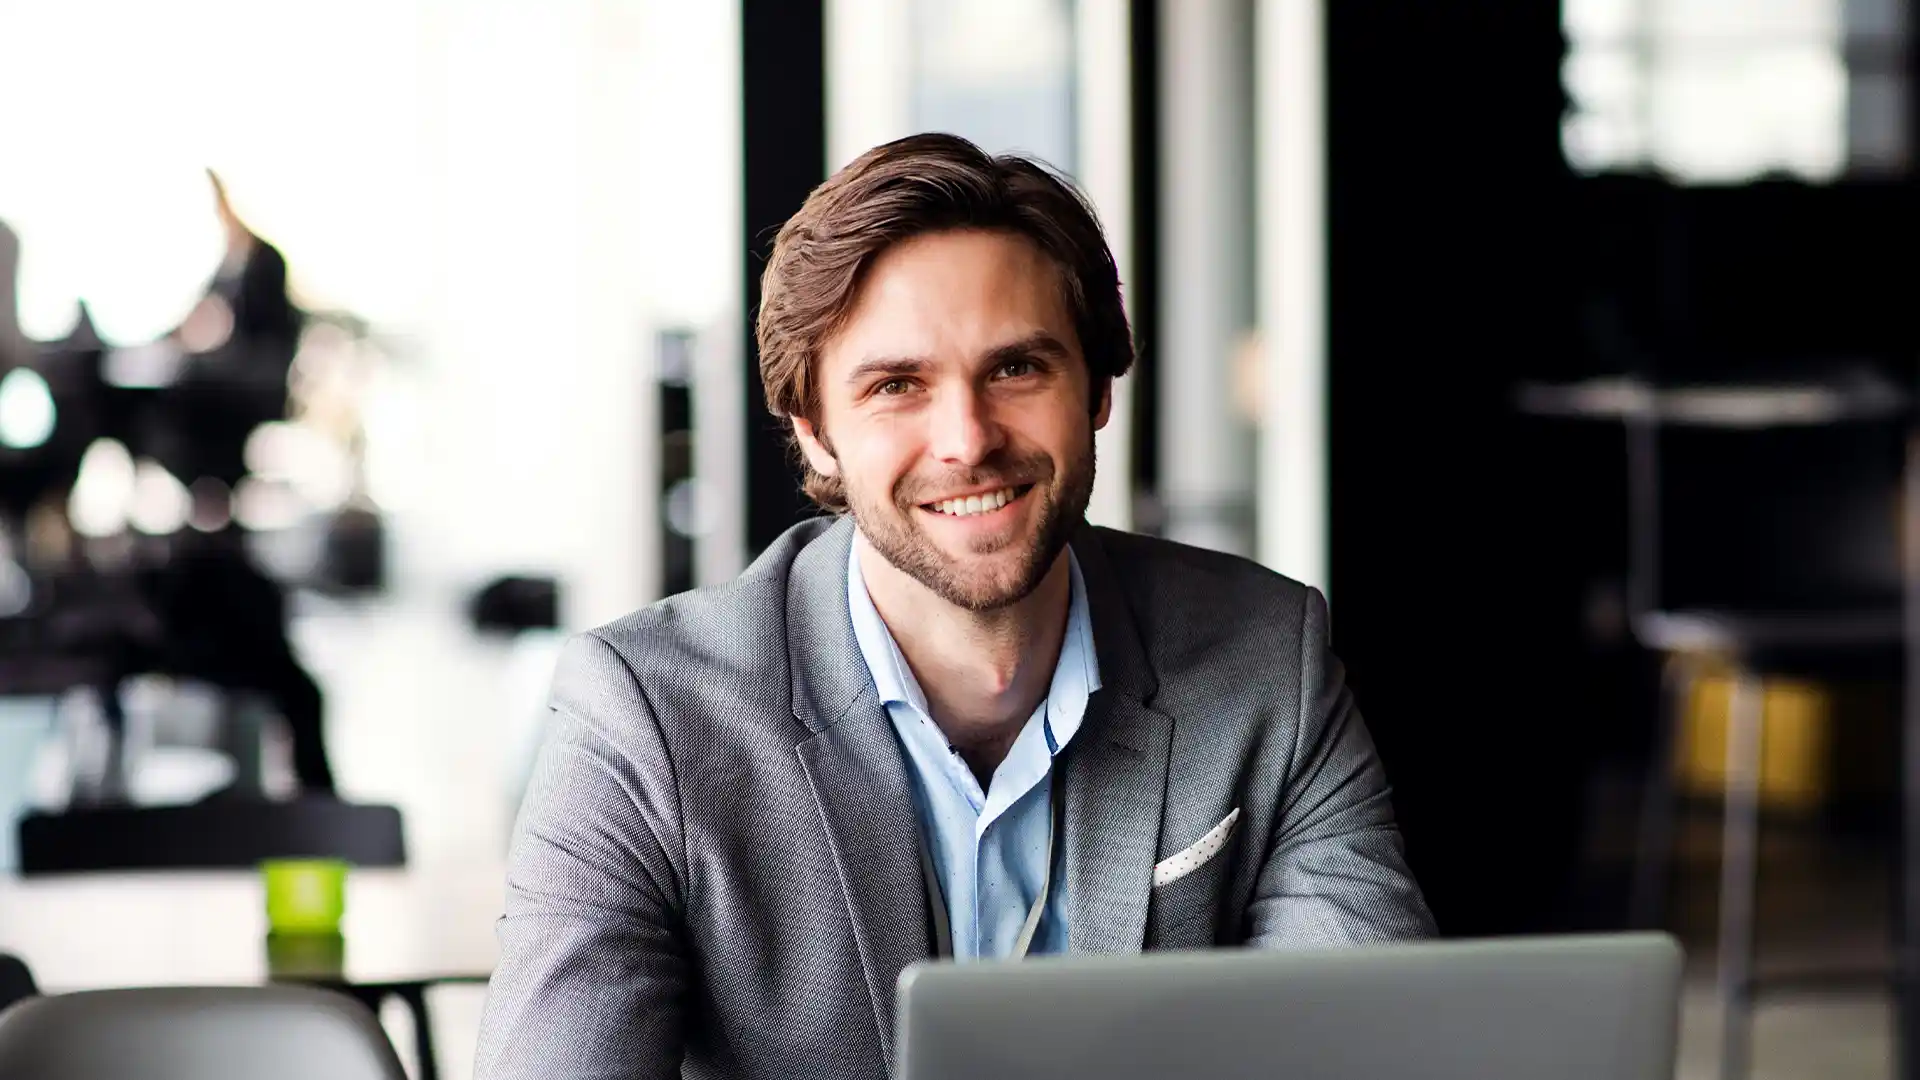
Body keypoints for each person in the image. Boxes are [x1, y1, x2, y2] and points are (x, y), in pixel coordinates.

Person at [476, 133, 1432, 1080]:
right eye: (897, 386)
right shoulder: (645, 720)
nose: (967, 439)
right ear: (814, 433)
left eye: (1016, 368)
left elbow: (1374, 1050)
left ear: (1097, 388)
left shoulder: (1267, 660)